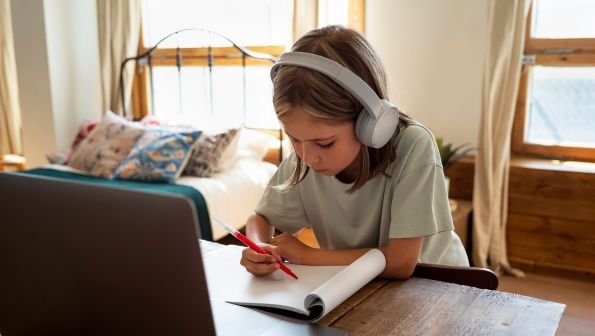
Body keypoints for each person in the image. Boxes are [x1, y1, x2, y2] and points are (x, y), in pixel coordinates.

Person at [240, 25, 468, 280]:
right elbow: (260, 217)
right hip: (359, 283)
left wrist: (307, 255)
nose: (308, 156)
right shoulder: (308, 152)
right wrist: (259, 246)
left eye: (325, 143)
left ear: (369, 122)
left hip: (439, 286)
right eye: (294, 139)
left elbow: (402, 262)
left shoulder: (414, 145)